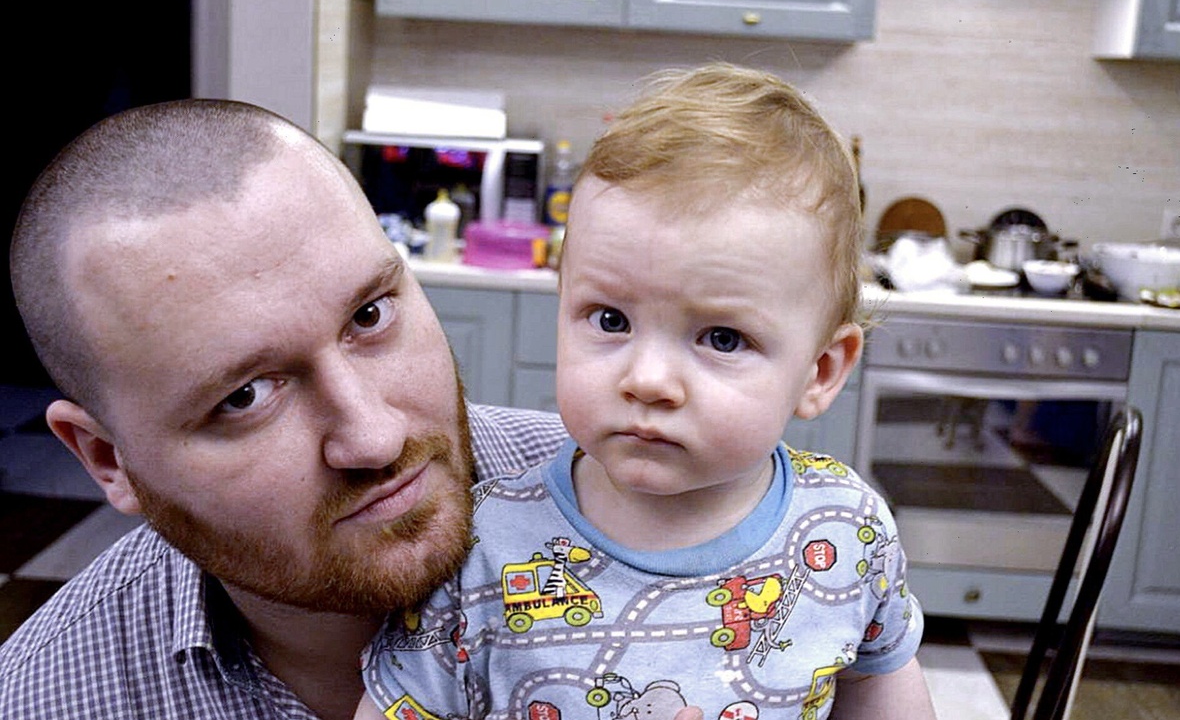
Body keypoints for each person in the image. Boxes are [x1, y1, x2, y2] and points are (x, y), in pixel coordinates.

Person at [357, 64, 936, 720]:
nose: (648, 380)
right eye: (611, 320)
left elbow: (881, 688)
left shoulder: (848, 532)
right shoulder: (479, 548)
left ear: (821, 371)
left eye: (722, 337)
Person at [0, 99, 569, 719]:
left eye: (369, 315)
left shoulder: (643, 493)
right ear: (109, 460)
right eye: (244, 397)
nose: (374, 438)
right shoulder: (42, 700)